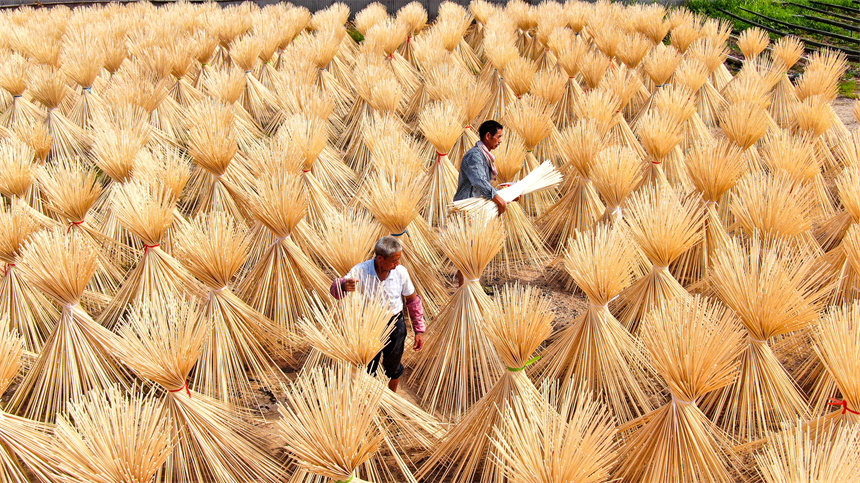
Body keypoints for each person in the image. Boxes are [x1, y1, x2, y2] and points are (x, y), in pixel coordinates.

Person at [329, 236, 425, 392]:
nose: (398, 264)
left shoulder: (401, 272)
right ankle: (368, 400)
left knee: (393, 366)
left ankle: (392, 398)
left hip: (395, 325)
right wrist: (343, 285)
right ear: (380, 259)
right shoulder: (360, 271)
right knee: (368, 365)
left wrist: (419, 330)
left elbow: (412, 300)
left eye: (399, 259)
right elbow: (335, 291)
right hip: (370, 326)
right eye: (394, 260)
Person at [453, 119, 506, 215]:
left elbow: (484, 185)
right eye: (498, 137)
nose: (500, 141)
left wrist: (508, 194)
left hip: (477, 207)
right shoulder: (475, 156)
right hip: (467, 207)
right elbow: (479, 181)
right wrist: (498, 199)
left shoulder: (484, 156)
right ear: (488, 136)